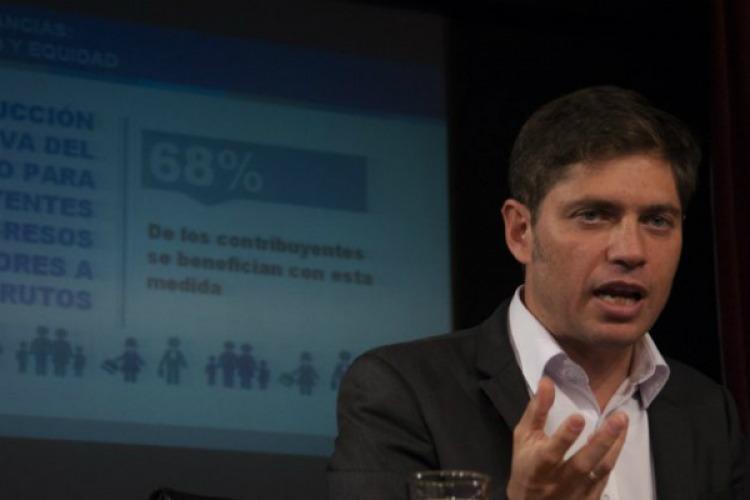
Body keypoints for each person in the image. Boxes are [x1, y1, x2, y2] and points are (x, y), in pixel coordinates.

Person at [328, 86, 745, 500]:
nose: (631, 251)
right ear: (520, 231)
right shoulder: (403, 392)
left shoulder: (708, 412)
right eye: (593, 215)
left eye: (657, 221)